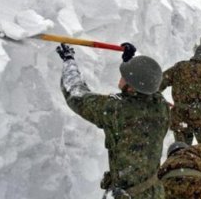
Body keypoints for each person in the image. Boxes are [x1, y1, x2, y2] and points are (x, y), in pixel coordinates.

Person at [57, 43, 170, 199]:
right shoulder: (162, 106)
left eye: (126, 76)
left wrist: (69, 62)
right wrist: (132, 59)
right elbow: (150, 82)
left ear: (131, 87)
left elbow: (76, 95)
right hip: (154, 192)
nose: (121, 77)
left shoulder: (116, 109)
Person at [159, 44, 201, 152]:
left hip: (180, 118)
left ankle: (183, 166)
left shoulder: (179, 67)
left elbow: (158, 82)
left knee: (183, 152)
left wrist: (159, 99)